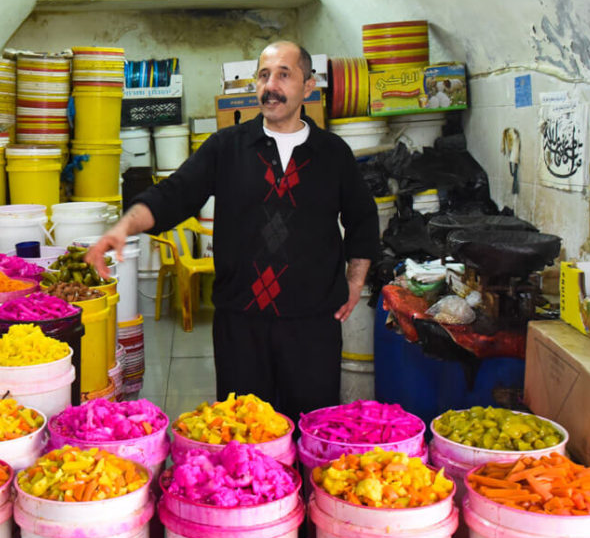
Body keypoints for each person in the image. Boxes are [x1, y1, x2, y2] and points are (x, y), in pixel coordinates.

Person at [84, 41, 379, 423]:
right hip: (241, 322)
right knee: (243, 434)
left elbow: (363, 218)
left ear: (308, 86)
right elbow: (175, 194)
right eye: (263, 75)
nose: (270, 85)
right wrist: (125, 226)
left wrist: (354, 284)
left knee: (311, 429)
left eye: (284, 75)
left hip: (312, 326)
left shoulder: (332, 153)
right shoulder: (228, 146)